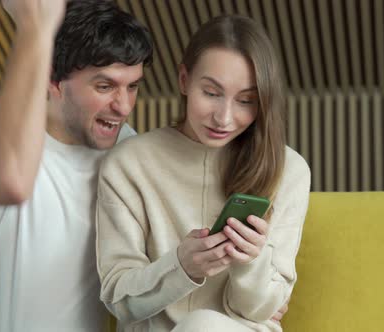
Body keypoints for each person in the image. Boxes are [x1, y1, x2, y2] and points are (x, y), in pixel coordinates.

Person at [96, 15, 310, 332]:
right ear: (184, 80)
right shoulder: (128, 164)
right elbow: (119, 298)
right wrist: (180, 266)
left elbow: (263, 310)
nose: (224, 118)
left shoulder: (288, 169)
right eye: (211, 93)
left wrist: (251, 262)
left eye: (246, 101)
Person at [0, 0, 152, 331]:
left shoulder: (128, 148)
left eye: (133, 86)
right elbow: (10, 182)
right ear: (54, 82)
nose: (123, 106)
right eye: (105, 86)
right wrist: (33, 25)